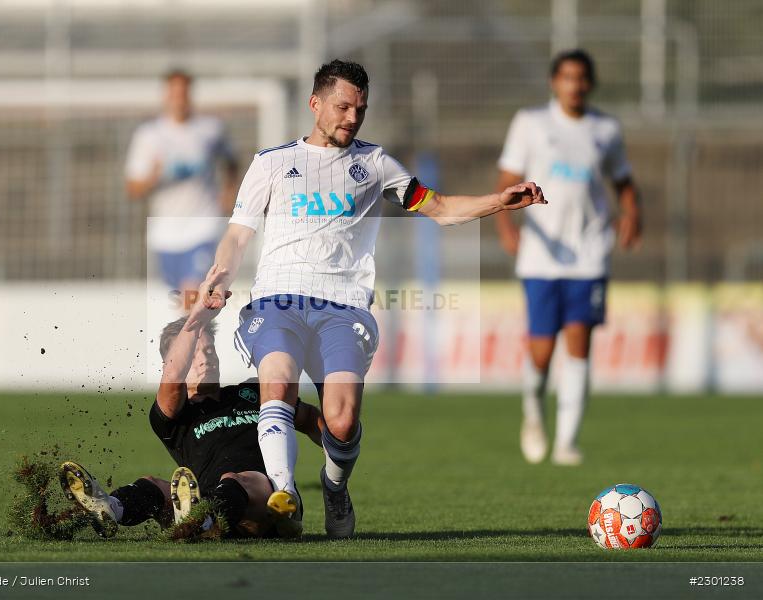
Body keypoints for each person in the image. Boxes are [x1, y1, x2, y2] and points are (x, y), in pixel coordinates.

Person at [188, 60, 546, 538]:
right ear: (315, 104)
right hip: (278, 300)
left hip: (343, 307)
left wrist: (499, 201)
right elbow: (237, 235)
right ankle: (285, 491)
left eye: (360, 109)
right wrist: (221, 276)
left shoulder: (375, 165)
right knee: (277, 382)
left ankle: (334, 488)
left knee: (340, 419)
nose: (352, 118)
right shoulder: (271, 163)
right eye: (342, 107)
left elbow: (437, 208)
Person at [494, 49, 642, 466]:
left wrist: (633, 214)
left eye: (581, 78)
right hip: (542, 253)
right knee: (542, 349)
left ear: (590, 83)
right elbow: (507, 180)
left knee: (579, 341)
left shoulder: (606, 129)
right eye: (566, 77)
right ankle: (532, 412)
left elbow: (624, 181)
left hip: (590, 252)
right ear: (553, 82)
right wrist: (507, 227)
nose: (574, 85)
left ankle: (566, 443)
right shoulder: (531, 123)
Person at [59, 312, 323, 539]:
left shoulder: (253, 391)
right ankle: (111, 508)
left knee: (238, 479)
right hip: (200, 501)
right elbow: (173, 382)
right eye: (194, 355)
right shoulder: (176, 414)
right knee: (153, 485)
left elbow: (311, 420)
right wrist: (199, 314)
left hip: (269, 507)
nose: (205, 358)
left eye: (209, 350)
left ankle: (203, 521)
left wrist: (339, 456)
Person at [125, 69, 238, 310]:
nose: (179, 98)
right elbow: (133, 188)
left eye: (184, 93)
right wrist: (152, 178)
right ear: (165, 96)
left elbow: (231, 160)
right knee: (181, 304)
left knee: (192, 293)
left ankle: (196, 344)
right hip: (165, 234)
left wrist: (229, 190)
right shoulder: (149, 135)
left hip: (203, 227)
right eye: (174, 93)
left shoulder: (210, 129)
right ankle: (193, 344)